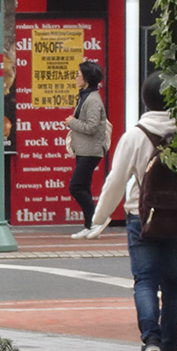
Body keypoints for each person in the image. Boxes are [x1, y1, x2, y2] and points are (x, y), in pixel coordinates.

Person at [85, 73, 177, 351]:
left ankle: (151, 339)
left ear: (145, 99)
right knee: (175, 282)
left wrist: (100, 216)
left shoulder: (135, 135)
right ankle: (171, 342)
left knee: (145, 280)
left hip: (140, 217)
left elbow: (116, 181)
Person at [64, 60, 109, 238]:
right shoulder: (85, 95)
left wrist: (71, 122)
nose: (76, 78)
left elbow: (91, 127)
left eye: (78, 75)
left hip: (91, 150)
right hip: (84, 149)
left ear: (87, 78)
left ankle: (98, 220)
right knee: (84, 186)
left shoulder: (92, 100)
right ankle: (90, 225)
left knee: (76, 186)